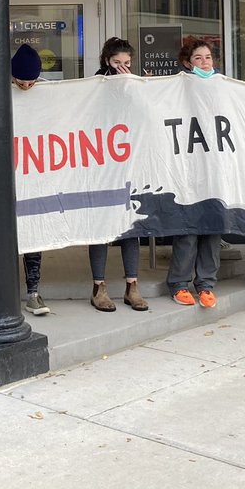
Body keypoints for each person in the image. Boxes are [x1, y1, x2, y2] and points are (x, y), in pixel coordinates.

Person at [88, 37, 147, 312]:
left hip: (128, 163)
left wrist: (135, 87)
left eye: (127, 64)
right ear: (106, 63)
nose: (122, 68)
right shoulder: (94, 87)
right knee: (100, 226)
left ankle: (131, 286)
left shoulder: (136, 85)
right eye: (117, 63)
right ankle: (98, 287)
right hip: (101, 165)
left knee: (129, 226)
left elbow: (146, 116)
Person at [167, 41, 222, 309]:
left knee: (212, 227)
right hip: (188, 167)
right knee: (188, 227)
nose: (204, 62)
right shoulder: (178, 87)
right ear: (187, 62)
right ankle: (179, 283)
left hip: (216, 168)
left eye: (208, 57)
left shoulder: (225, 88)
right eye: (198, 58)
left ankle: (206, 284)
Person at [11, 44, 49, 315]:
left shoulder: (47, 94)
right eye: (21, 81)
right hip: (6, 175)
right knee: (5, 238)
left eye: (31, 81)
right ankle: (6, 293)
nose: (26, 86)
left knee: (33, 234)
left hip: (34, 172)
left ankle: (33, 292)